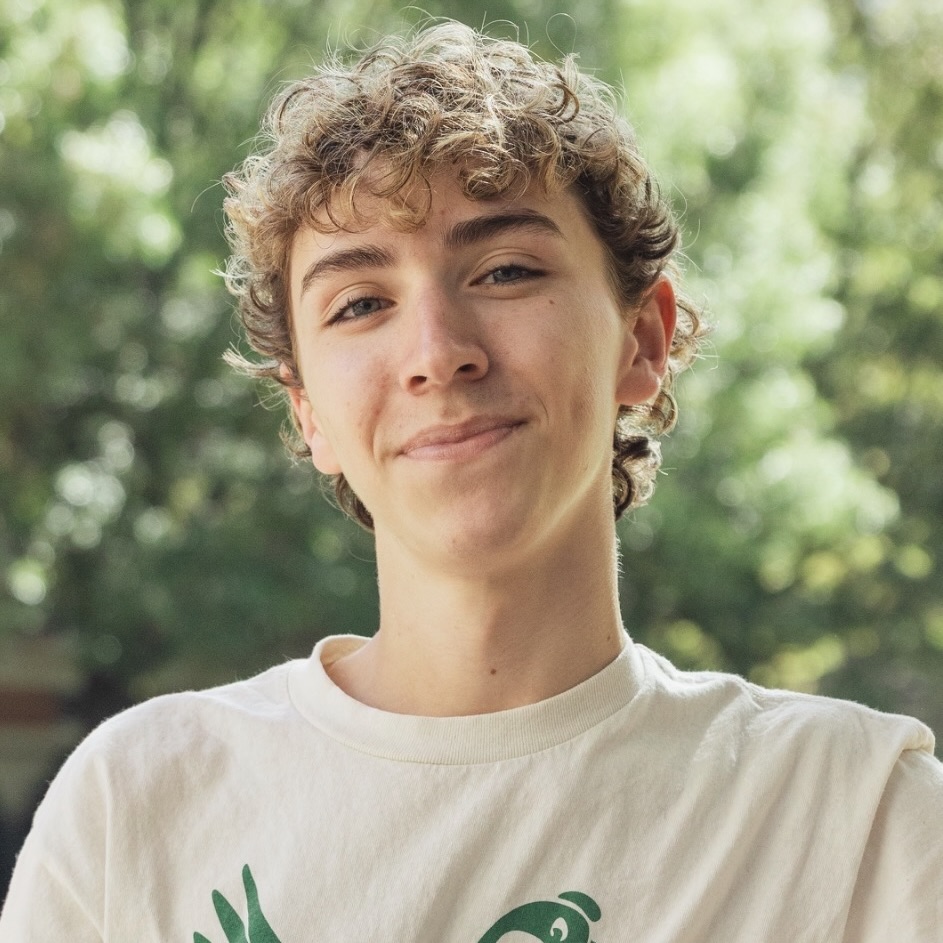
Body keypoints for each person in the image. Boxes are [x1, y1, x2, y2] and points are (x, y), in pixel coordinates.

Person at [2, 20, 941, 943]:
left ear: (642, 341)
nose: (437, 352)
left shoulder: (856, 818)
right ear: (309, 412)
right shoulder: (137, 804)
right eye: (359, 303)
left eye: (504, 271)